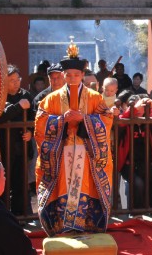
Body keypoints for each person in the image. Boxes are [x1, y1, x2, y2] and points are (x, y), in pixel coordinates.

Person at [35, 42, 114, 236]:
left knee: (85, 184)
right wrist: (61, 120)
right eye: (68, 75)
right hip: (61, 153)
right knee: (64, 184)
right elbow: (40, 122)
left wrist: (84, 119)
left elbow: (106, 119)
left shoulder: (95, 97)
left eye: (76, 75)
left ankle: (88, 224)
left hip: (87, 153)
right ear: (63, 75)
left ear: (82, 75)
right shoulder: (51, 99)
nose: (72, 78)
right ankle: (62, 226)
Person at [0, 64, 35, 216]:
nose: (16, 83)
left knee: (21, 180)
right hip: (4, 144)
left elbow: (34, 118)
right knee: (3, 179)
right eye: (12, 80)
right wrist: (18, 107)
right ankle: (3, 214)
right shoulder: (0, 96)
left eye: (18, 79)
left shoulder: (26, 95)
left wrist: (30, 132)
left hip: (21, 145)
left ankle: (22, 214)